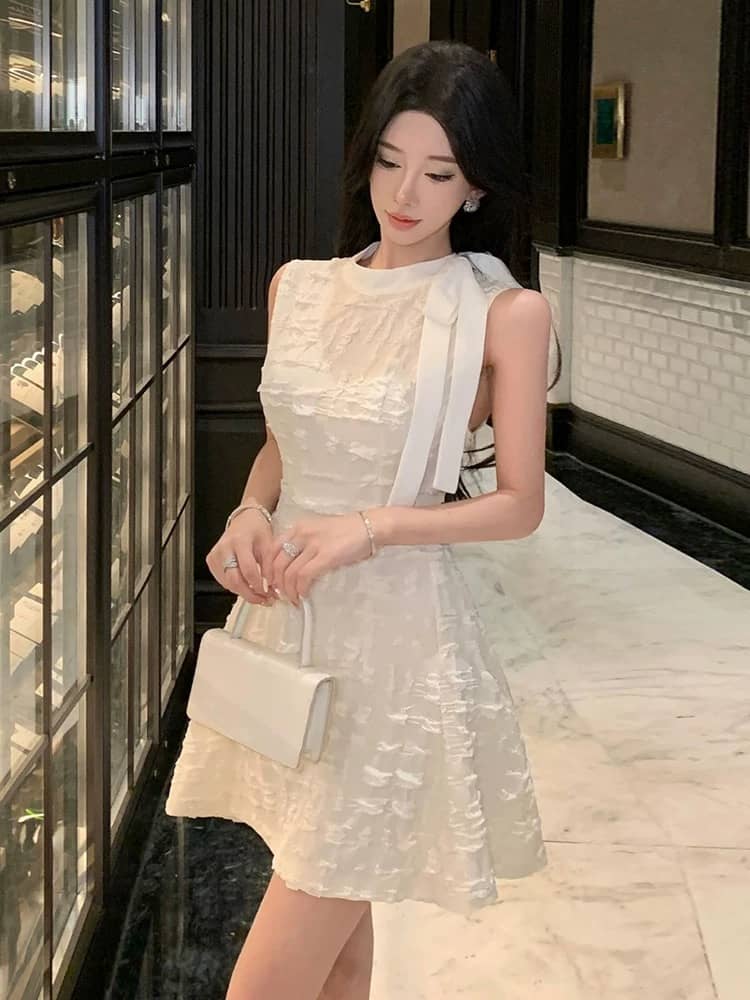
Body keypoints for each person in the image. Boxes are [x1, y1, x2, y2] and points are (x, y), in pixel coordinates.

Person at [165, 39, 559, 1000]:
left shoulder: (501, 312)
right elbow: (283, 445)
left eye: (439, 173)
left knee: (288, 941)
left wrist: (369, 527)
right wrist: (247, 511)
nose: (405, 194)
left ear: (476, 186)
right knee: (338, 936)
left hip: (395, 647)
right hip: (288, 618)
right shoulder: (299, 287)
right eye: (389, 161)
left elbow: (520, 504)